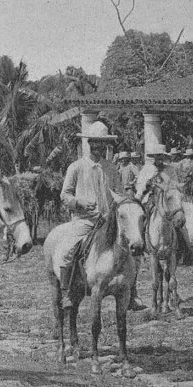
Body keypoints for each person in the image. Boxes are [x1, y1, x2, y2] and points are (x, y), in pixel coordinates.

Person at [56, 121, 140, 310]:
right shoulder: (76, 167)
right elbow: (65, 194)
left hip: (108, 221)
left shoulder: (111, 168)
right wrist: (79, 203)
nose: (99, 146)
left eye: (102, 143)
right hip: (84, 220)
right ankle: (66, 292)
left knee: (131, 250)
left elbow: (118, 192)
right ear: (89, 143)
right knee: (68, 250)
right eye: (95, 142)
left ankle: (132, 293)